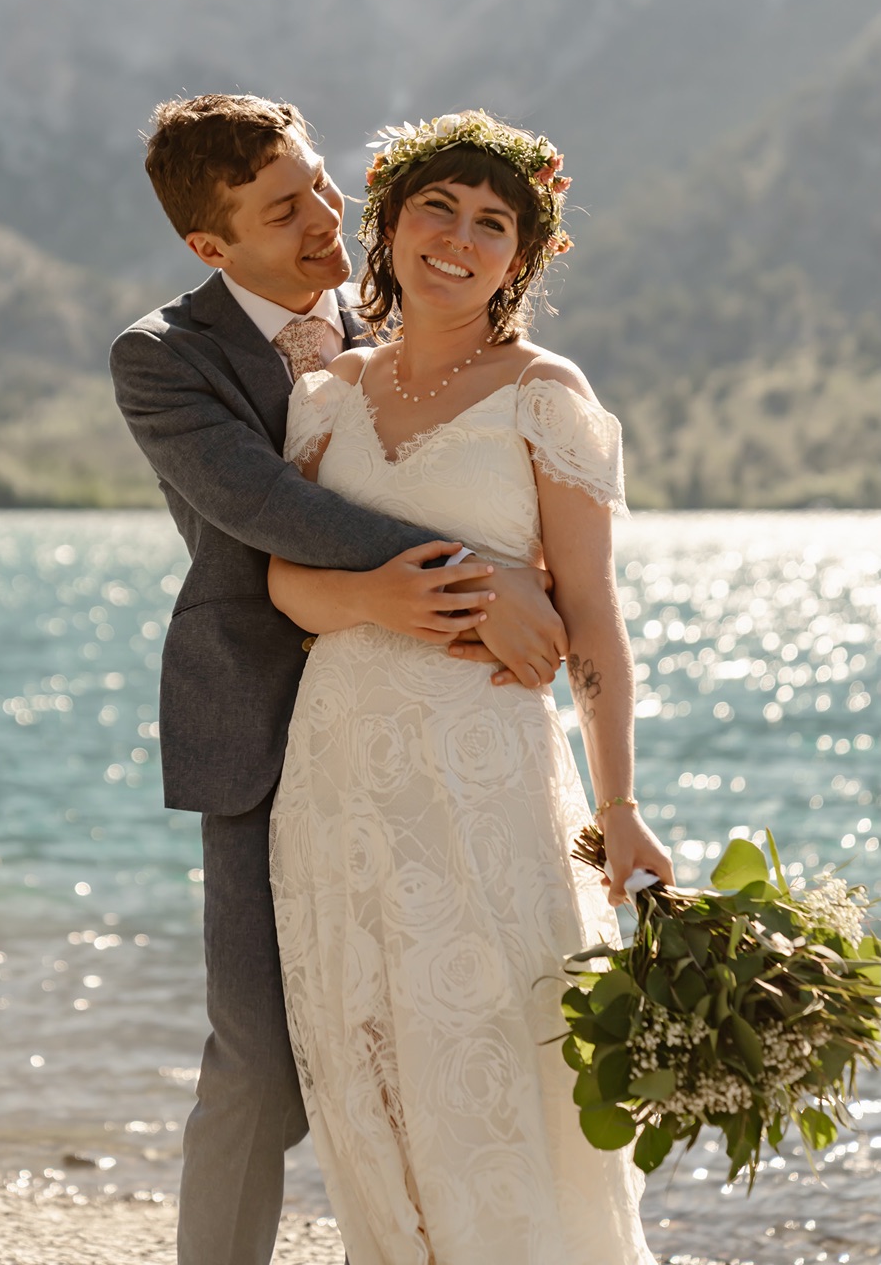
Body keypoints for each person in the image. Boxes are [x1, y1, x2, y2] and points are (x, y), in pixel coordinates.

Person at [109, 94, 569, 1265]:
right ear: (211, 247)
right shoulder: (161, 358)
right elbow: (270, 511)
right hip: (262, 726)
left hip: (437, 729)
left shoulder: (395, 298)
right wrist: (478, 579)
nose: (325, 215)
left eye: (320, 180)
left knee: (453, 1031)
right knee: (263, 1061)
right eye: (284, 208)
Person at [267, 110, 675, 1264]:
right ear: (389, 227)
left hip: (479, 769)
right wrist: (391, 596)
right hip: (337, 772)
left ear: (519, 260)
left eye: (491, 223)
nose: (457, 237)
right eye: (436, 208)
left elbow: (588, 609)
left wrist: (620, 807)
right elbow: (285, 582)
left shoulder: (541, 391)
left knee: (492, 1044)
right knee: (367, 1052)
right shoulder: (329, 391)